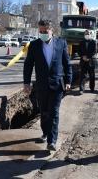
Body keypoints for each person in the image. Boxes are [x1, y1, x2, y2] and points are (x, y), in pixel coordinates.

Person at [23, 20, 72, 151]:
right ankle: (45, 133)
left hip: (57, 85)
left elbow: (67, 64)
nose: (43, 33)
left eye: (45, 31)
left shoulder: (61, 43)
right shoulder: (33, 45)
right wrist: (26, 83)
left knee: (54, 113)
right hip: (41, 86)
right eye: (41, 31)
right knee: (44, 112)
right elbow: (28, 65)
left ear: (52, 31)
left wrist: (68, 81)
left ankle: (52, 141)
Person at [79, 30, 97, 94]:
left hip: (91, 61)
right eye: (86, 34)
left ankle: (92, 88)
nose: (87, 35)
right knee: (82, 76)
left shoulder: (93, 42)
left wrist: (88, 57)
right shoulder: (81, 42)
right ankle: (81, 89)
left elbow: (94, 51)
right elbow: (79, 51)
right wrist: (82, 56)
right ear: (84, 35)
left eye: (88, 34)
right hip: (83, 61)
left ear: (90, 34)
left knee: (92, 75)